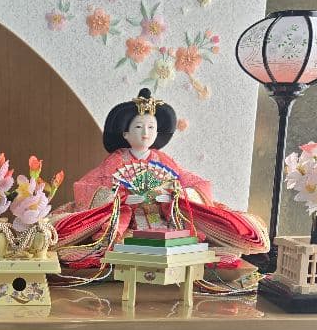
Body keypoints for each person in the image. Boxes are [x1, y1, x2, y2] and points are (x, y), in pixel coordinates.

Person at [53, 88, 269, 268]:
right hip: (127, 222)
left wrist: (174, 197)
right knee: (108, 243)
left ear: (158, 132)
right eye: (138, 127)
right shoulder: (116, 161)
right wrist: (122, 200)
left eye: (151, 127)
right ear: (125, 133)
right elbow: (90, 186)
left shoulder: (163, 160)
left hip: (163, 219)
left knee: (188, 238)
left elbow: (192, 183)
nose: (145, 133)